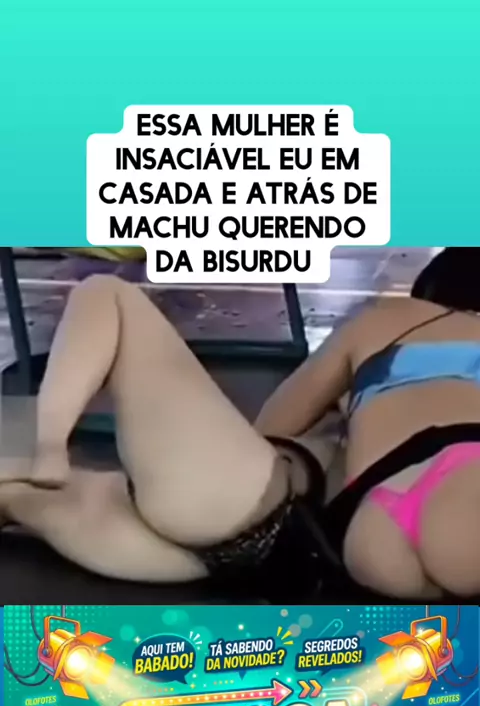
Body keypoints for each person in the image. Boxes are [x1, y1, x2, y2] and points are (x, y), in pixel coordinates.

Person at [1, 247, 480, 600]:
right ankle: (40, 459)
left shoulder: (389, 319)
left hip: (273, 523)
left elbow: (273, 425)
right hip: (429, 486)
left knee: (106, 294)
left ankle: (46, 446)